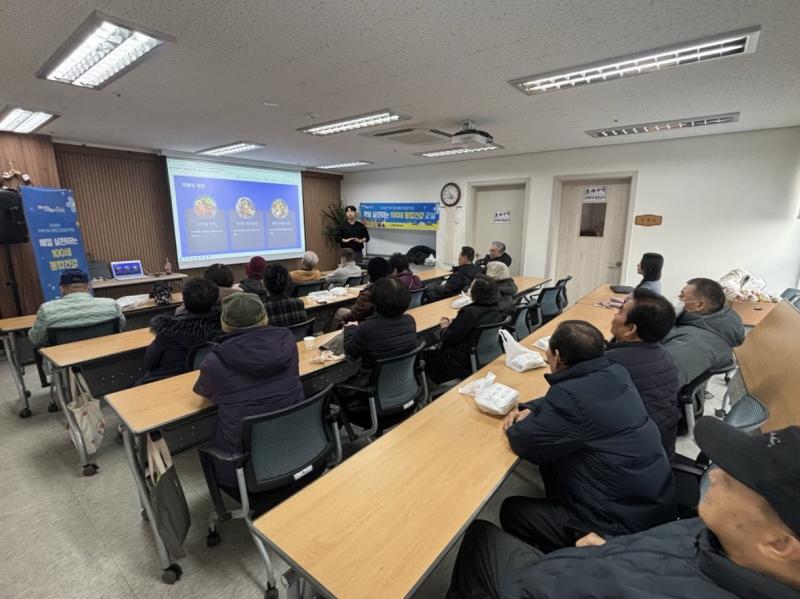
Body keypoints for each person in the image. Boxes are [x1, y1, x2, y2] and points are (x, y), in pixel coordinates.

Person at [447, 417, 800, 599]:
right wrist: (612, 548)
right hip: (597, 557)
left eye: (736, 479)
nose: (716, 474)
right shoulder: (719, 535)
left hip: (535, 588)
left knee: (479, 537)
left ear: (781, 544)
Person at [500, 320, 675, 552]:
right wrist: (531, 407)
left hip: (617, 525)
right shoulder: (615, 372)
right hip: (650, 501)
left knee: (512, 510)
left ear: (557, 356)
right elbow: (576, 404)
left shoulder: (569, 396)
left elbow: (524, 441)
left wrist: (515, 420)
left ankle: (567, 561)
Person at [194, 293, 304, 487]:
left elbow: (204, 392)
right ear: (265, 316)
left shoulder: (215, 361)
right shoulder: (287, 341)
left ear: (224, 323)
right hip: (298, 442)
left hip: (246, 462)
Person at [606, 288, 680, 456]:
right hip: (659, 451)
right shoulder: (664, 354)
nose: (614, 316)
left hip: (624, 461)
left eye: (620, 312)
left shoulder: (609, 366)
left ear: (631, 329)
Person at [338, 276, 417, 425]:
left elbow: (350, 352)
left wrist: (350, 329)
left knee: (331, 394)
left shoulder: (367, 328)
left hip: (371, 405)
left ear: (374, 302)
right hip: (406, 397)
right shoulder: (409, 321)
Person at [663, 277, 745, 387]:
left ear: (699, 305)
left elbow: (660, 382)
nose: (677, 299)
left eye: (682, 296)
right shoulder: (707, 322)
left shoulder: (694, 345)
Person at [139, 277, 222, 384]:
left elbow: (150, 363)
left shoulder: (168, 330)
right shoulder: (223, 325)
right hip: (207, 377)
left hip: (167, 381)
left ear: (184, 300)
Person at [424, 276, 505, 384]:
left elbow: (448, 338)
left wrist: (444, 327)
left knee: (421, 356)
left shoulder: (469, 313)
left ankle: (425, 391)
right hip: (483, 355)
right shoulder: (497, 309)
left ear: (477, 292)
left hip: (460, 361)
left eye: (471, 287)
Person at [29, 268, 125, 347]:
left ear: (61, 289)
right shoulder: (111, 304)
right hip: (106, 353)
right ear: (89, 287)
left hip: (65, 359)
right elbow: (121, 326)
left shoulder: (47, 310)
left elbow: (36, 339)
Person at [331, 257, 390, 330]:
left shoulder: (368, 293)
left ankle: (328, 336)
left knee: (340, 311)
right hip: (383, 322)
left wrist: (345, 318)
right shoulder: (392, 287)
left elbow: (354, 316)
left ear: (369, 273)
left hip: (365, 324)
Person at [175, 263, 240, 315]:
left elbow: (179, 313)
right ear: (231, 279)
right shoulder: (241, 297)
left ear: (206, 281)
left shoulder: (198, 298)